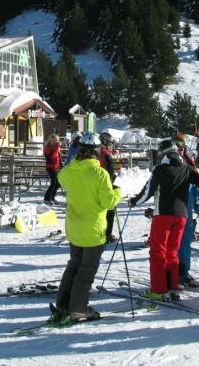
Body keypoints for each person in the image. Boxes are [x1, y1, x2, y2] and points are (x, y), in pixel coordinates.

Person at [53, 133, 121, 324]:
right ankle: (78, 309)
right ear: (97, 152)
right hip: (93, 230)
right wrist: (118, 191)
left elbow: (61, 177)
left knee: (73, 266)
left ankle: (63, 304)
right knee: (86, 271)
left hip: (74, 228)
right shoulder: (100, 173)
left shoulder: (69, 171)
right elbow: (108, 202)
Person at [129, 138, 199, 300]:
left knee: (158, 252)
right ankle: (173, 286)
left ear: (162, 153)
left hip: (163, 215)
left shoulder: (160, 169)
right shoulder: (186, 168)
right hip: (182, 216)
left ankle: (158, 290)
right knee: (172, 252)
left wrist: (133, 202)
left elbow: (147, 192)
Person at [178, 180, 199, 287]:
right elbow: (198, 196)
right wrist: (198, 208)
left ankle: (182, 272)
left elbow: (198, 196)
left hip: (180, 216)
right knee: (183, 244)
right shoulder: (191, 179)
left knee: (182, 245)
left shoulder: (191, 180)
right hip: (184, 216)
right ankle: (180, 272)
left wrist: (198, 208)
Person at [98, 131, 118, 242]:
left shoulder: (96, 151)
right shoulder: (105, 153)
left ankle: (99, 232)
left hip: (95, 184)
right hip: (105, 184)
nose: (111, 146)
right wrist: (112, 180)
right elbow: (110, 170)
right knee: (110, 210)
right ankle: (107, 234)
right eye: (110, 143)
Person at [43, 134, 63, 205]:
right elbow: (51, 158)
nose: (55, 142)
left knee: (58, 183)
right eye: (54, 140)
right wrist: (57, 147)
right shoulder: (47, 148)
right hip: (50, 167)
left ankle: (52, 197)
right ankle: (47, 198)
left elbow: (59, 158)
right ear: (50, 140)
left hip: (56, 167)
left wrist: (61, 166)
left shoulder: (56, 148)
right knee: (53, 183)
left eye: (57, 140)